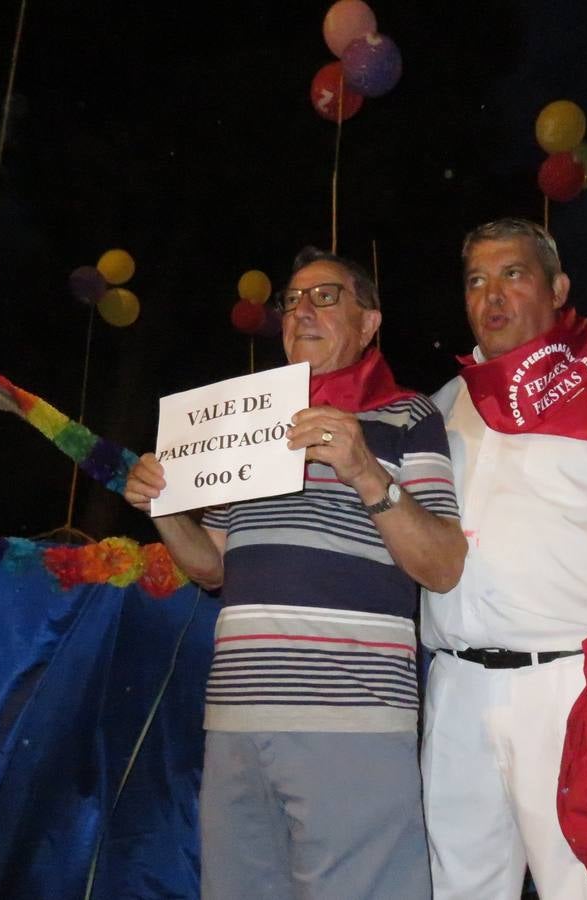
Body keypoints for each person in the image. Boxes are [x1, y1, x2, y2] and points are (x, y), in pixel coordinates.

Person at [123, 246, 467, 900]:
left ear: (369, 324)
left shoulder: (406, 417)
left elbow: (443, 564)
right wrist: (163, 509)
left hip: (352, 718)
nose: (301, 309)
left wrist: (365, 470)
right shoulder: (248, 423)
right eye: (291, 300)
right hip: (234, 722)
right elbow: (212, 568)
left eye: (325, 295)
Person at [419, 218, 587, 899]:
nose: (491, 294)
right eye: (475, 280)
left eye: (513, 274)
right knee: (459, 885)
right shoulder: (442, 406)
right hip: (457, 687)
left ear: (558, 287)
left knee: (577, 887)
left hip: (572, 686)